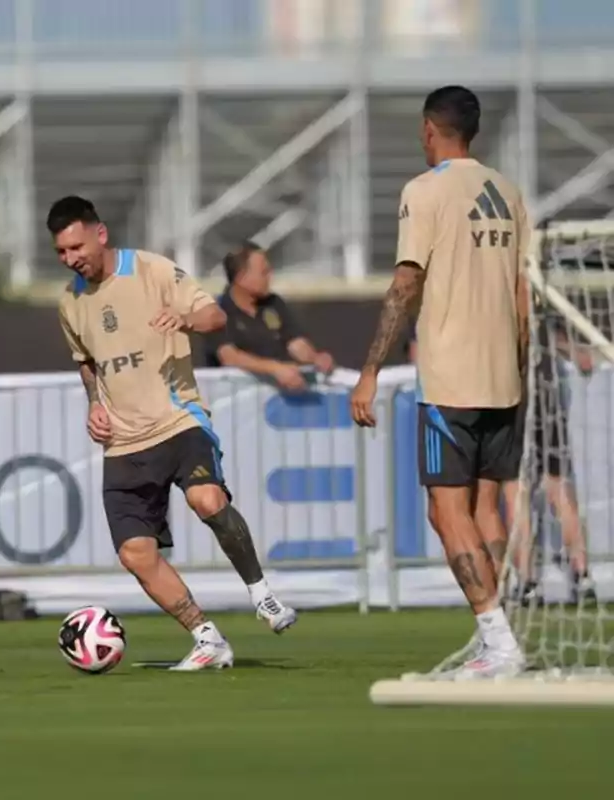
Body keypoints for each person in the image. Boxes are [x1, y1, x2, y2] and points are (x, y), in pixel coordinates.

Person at [49, 195, 298, 672]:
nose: (70, 259)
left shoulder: (153, 270)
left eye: (76, 246)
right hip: (122, 442)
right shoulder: (70, 302)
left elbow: (216, 317)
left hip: (178, 421)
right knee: (135, 554)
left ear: (100, 233)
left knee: (207, 500)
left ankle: (262, 595)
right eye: (61, 252)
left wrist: (183, 319)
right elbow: (87, 363)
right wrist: (95, 405)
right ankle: (207, 638)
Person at [350, 85, 530, 677]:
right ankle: (499, 631)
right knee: (484, 510)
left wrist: (371, 370)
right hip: (503, 374)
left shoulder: (424, 191)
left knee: (445, 513)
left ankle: (498, 640)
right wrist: (520, 368)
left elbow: (406, 282)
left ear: (430, 129)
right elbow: (522, 296)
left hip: (450, 376)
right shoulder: (508, 192)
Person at [504, 301, 597, 605]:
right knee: (556, 487)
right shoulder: (536, 295)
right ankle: (582, 576)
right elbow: (556, 336)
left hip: (514, 399)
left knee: (517, 490)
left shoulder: (495, 289)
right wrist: (576, 352)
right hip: (546, 398)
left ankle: (529, 581)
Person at [207, 242, 335, 392]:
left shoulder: (274, 304)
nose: (270, 277)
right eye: (264, 272)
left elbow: (295, 343)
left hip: (280, 399)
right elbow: (230, 357)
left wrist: (315, 358)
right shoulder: (215, 311)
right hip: (235, 402)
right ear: (241, 277)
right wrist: (275, 369)